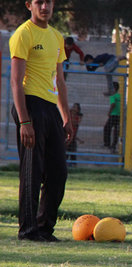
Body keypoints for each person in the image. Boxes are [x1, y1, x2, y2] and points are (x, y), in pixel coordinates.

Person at [9, 0, 73, 242]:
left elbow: (60, 80)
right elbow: (16, 81)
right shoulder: (23, 34)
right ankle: (27, 230)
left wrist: (66, 116)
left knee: (58, 172)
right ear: (29, 5)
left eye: (48, 2)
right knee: (32, 171)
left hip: (50, 107)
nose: (44, 6)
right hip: (30, 105)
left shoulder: (57, 37)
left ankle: (45, 227)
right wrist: (25, 121)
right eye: (39, 2)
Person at [103, 81, 120, 151]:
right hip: (118, 115)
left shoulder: (113, 96)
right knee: (116, 130)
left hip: (113, 115)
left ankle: (107, 143)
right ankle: (114, 145)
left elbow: (113, 104)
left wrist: (109, 112)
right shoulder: (118, 95)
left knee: (107, 128)